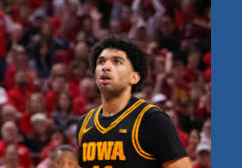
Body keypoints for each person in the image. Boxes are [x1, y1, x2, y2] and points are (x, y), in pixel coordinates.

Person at [76, 37, 190, 168]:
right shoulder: (84, 123)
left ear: (134, 77)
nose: (105, 67)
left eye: (117, 62)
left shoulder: (151, 119)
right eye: (101, 62)